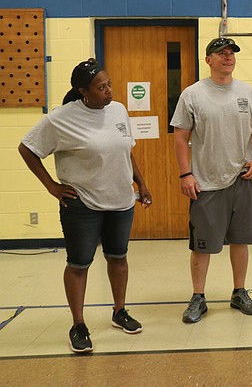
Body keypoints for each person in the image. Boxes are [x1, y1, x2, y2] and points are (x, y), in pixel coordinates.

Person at [18, 59, 152, 353]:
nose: (109, 91)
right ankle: (78, 324)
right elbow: (27, 148)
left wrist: (140, 183)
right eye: (101, 87)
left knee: (118, 257)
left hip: (120, 201)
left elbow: (126, 150)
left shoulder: (118, 111)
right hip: (82, 204)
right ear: (83, 92)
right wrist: (52, 187)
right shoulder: (61, 119)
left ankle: (119, 311)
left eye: (109, 84)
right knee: (79, 264)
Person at [171, 37, 252, 323]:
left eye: (231, 53)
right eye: (221, 53)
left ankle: (239, 292)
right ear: (208, 60)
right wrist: (185, 173)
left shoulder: (248, 93)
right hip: (206, 182)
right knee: (202, 245)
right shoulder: (193, 94)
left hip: (242, 178)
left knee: (241, 240)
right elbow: (180, 137)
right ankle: (198, 297)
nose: (227, 57)